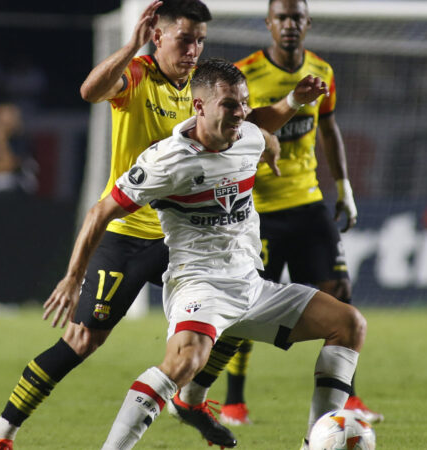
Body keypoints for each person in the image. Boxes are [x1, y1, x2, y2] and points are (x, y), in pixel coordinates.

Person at [0, 1, 325, 449]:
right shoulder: (138, 76)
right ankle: (0, 433)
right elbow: (90, 91)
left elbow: (251, 123)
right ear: (158, 37)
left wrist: (292, 103)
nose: (194, 48)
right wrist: (130, 46)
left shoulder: (206, 87)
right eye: (185, 38)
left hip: (186, 238)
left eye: (200, 40)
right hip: (130, 233)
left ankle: (191, 397)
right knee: (82, 339)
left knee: (239, 302)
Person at [42, 58, 366, 450]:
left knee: (349, 324)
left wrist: (294, 103)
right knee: (183, 364)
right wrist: (73, 278)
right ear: (199, 107)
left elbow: (267, 126)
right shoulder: (166, 161)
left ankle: (316, 444)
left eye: (244, 103)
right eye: (230, 104)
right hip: (199, 288)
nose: (241, 113)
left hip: (251, 286)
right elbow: (100, 212)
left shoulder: (248, 135)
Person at [180, 0, 385, 429]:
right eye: (282, 18)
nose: (289, 25)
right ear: (269, 25)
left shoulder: (323, 72)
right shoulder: (244, 74)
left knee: (341, 293)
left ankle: (348, 399)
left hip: (308, 201)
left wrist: (344, 189)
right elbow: (227, 131)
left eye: (297, 18)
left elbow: (328, 127)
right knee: (245, 305)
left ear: (307, 24)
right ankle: (234, 402)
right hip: (261, 208)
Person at [0, 102, 39, 197]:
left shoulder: (20, 139)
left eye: (4, 115)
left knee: (5, 180)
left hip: (19, 186)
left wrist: (0, 142)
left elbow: (11, 164)